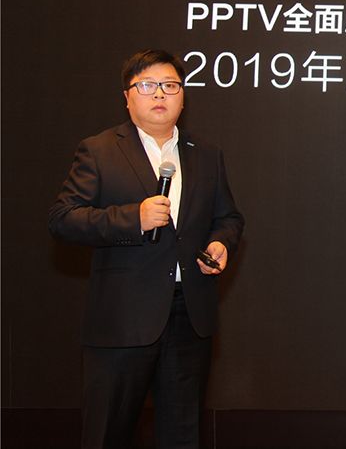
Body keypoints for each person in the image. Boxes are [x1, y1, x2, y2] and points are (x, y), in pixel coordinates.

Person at [49, 49, 245, 449]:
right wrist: (132, 218)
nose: (160, 94)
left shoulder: (206, 155)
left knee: (182, 435)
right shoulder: (100, 150)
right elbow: (63, 219)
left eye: (170, 86)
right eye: (148, 85)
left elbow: (228, 218)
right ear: (127, 96)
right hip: (123, 318)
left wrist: (220, 243)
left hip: (189, 317)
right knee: (107, 433)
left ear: (183, 97)